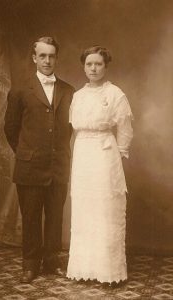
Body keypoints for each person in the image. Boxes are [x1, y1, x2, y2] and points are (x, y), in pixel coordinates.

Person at [4, 37, 74, 283]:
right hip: (30, 166)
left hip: (58, 167)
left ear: (56, 58)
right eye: (42, 56)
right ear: (34, 58)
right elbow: (10, 128)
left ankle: (52, 261)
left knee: (55, 217)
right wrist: (26, 152)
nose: (47, 61)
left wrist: (59, 153)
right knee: (31, 217)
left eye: (51, 56)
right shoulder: (21, 89)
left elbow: (69, 129)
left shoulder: (68, 90)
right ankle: (30, 264)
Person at [67, 46, 133, 284]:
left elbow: (125, 127)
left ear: (105, 66)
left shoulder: (115, 94)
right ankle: (85, 268)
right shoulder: (78, 95)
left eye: (98, 64)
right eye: (89, 64)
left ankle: (108, 271)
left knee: (105, 208)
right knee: (85, 208)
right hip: (83, 153)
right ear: (83, 66)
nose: (93, 69)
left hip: (105, 154)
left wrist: (120, 153)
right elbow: (73, 125)